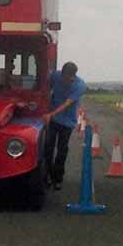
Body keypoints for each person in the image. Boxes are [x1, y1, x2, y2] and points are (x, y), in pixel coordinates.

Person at [42, 62, 86, 190]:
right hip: (53, 120)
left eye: (73, 76)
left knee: (62, 150)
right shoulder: (55, 76)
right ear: (62, 74)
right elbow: (45, 85)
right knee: (48, 149)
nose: (70, 79)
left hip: (67, 122)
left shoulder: (79, 85)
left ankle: (58, 178)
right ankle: (48, 176)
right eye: (68, 76)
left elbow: (67, 103)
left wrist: (50, 114)